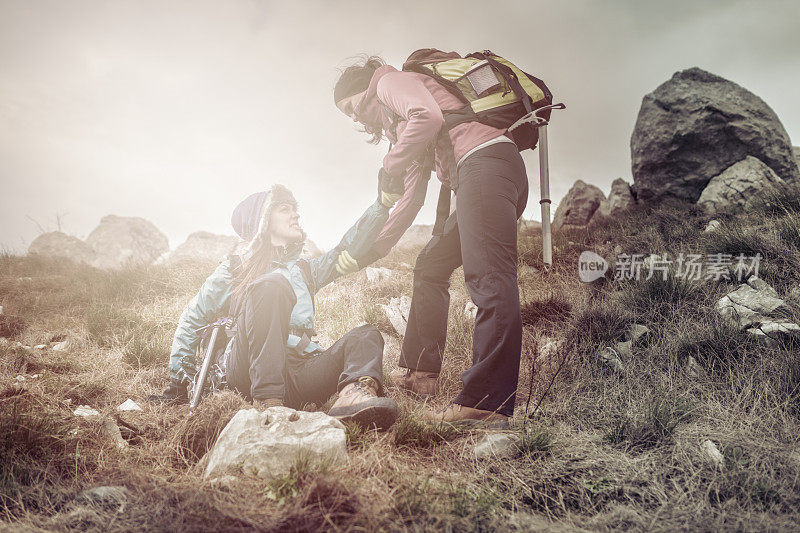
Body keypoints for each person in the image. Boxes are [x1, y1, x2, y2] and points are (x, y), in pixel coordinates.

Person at [334, 55, 529, 428]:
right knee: (431, 265)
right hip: (491, 171)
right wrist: (372, 251)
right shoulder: (402, 127)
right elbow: (410, 199)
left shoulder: (392, 83)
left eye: (352, 107)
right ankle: (419, 373)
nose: (356, 117)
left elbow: (429, 116)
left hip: (485, 164)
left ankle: (485, 402)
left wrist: (388, 165)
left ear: (367, 87)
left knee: (489, 278)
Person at [149, 184, 398, 430]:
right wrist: (179, 382)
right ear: (264, 220)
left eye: (295, 209)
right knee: (271, 286)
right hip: (248, 373)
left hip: (299, 371)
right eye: (284, 209)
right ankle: (268, 403)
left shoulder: (305, 270)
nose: (296, 214)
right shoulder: (234, 268)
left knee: (366, 335)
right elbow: (192, 319)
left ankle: (353, 396)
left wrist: (382, 204)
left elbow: (348, 247)